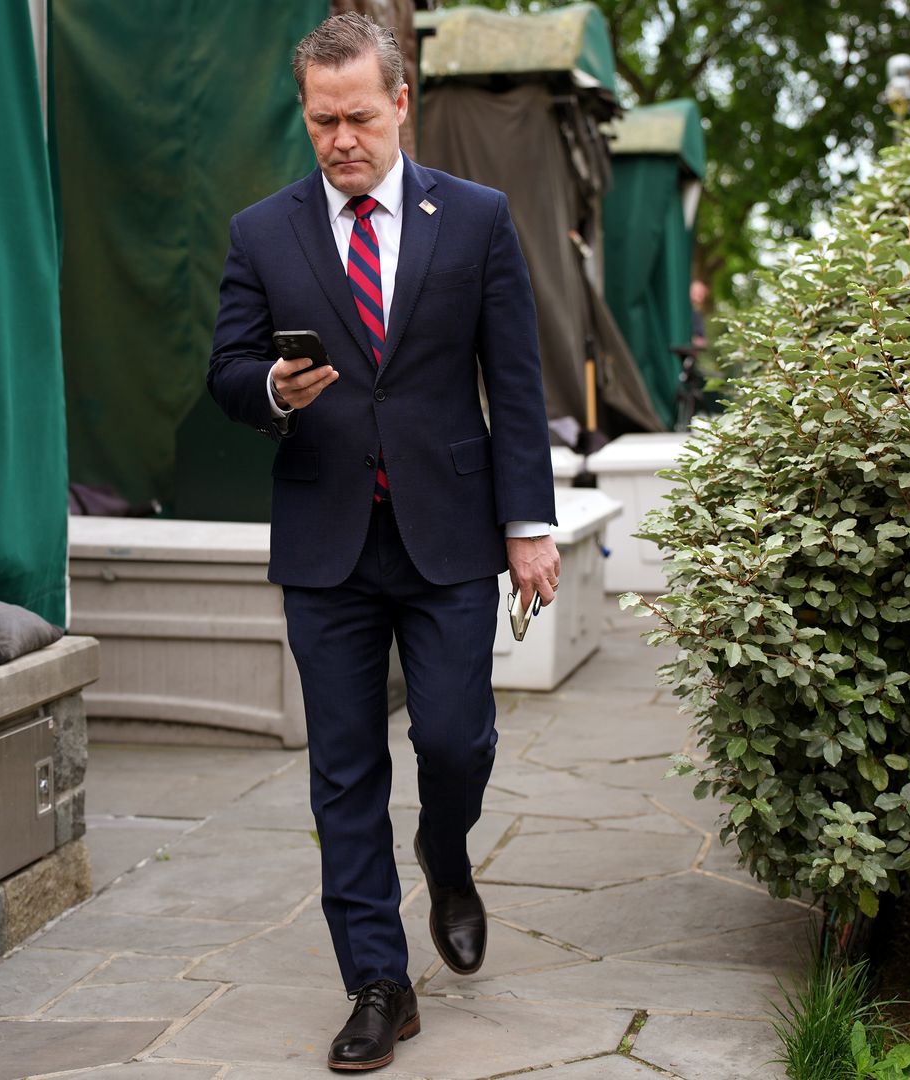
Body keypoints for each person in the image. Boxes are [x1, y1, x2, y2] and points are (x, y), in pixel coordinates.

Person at [206, 13, 559, 1073]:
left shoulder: (480, 218)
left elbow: (519, 378)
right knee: (343, 772)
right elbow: (226, 371)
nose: (342, 137)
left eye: (359, 115)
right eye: (322, 120)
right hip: (327, 543)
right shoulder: (262, 233)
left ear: (401, 102)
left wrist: (529, 525)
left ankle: (446, 853)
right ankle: (378, 982)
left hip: (450, 535)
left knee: (455, 739)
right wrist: (272, 387)